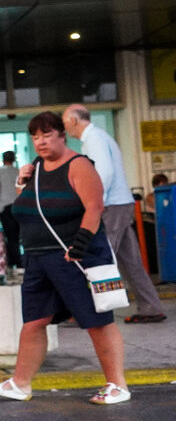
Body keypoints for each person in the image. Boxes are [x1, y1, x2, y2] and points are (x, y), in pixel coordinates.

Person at [0, 111, 131, 405]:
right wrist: (21, 182)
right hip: (37, 258)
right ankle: (20, 383)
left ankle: (117, 385)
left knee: (97, 320)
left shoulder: (79, 165)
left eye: (47, 135)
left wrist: (80, 244)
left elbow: (95, 207)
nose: (40, 141)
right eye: (35, 136)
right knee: (34, 320)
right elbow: (26, 206)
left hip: (75, 257)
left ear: (62, 136)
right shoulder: (35, 168)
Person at [62, 105, 166, 324]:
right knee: (130, 262)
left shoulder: (94, 138)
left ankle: (87, 312)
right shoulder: (98, 137)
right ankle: (151, 307)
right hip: (119, 203)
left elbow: (104, 172)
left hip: (111, 205)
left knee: (97, 256)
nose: (65, 129)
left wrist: (95, 202)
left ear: (74, 120)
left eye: (64, 123)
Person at [0, 151, 22, 270]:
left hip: (5, 207)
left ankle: (14, 262)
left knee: (10, 236)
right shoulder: (18, 171)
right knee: (17, 236)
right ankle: (17, 261)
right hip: (18, 206)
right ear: (14, 159)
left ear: (3, 159)